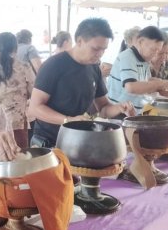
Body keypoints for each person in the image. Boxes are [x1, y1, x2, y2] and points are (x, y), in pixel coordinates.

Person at [28, 18, 135, 148]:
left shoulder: (94, 68)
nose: (100, 54)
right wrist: (68, 120)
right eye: (96, 49)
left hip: (80, 140)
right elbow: (35, 107)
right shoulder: (54, 65)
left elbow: (103, 108)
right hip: (49, 142)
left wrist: (119, 108)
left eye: (104, 49)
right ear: (79, 41)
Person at [108, 26, 168, 113]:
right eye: (153, 50)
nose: (155, 54)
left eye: (158, 50)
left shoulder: (144, 60)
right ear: (140, 41)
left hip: (136, 111)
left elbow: (146, 83)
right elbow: (131, 87)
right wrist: (163, 84)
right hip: (120, 113)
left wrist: (166, 91)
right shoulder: (127, 57)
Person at [0, 32, 35, 150]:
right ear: (15, 48)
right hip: (17, 122)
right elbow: (34, 92)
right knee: (20, 157)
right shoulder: (23, 66)